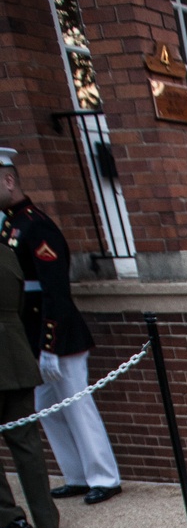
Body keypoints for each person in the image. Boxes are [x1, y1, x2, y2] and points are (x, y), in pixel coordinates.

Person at [0, 148, 121, 505]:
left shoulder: (37, 224)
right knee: (46, 410)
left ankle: (104, 476)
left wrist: (49, 343)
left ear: (9, 180)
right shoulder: (10, 224)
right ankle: (77, 475)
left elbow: (54, 289)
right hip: (29, 336)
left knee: (77, 406)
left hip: (58, 334)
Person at [0, 243, 61, 528]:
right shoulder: (6, 253)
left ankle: (6, 518)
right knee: (26, 443)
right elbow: (21, 302)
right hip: (16, 356)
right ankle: (47, 520)